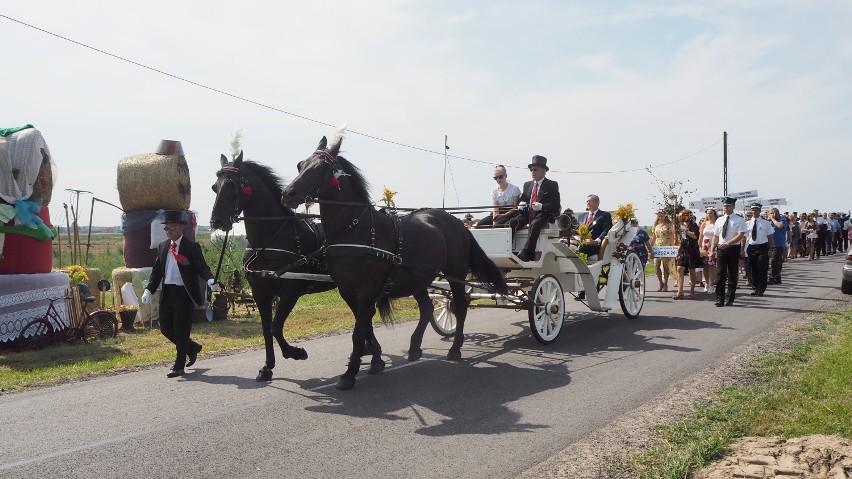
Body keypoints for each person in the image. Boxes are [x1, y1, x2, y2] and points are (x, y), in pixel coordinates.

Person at [141, 210, 220, 378]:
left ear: (181, 228)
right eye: (167, 229)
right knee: (165, 328)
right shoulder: (163, 246)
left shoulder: (191, 247)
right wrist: (149, 289)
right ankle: (191, 347)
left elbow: (201, 267)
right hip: (168, 291)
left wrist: (210, 280)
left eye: (172, 228)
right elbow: (156, 272)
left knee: (181, 329)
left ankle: (179, 366)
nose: (169, 232)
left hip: (184, 293)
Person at [510, 155, 561, 262]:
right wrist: (521, 204)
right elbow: (523, 199)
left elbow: (556, 206)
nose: (533, 172)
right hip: (528, 214)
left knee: (536, 223)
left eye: (536, 169)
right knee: (513, 222)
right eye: (531, 170)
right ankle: (509, 250)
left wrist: (542, 206)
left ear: (544, 171)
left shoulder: (552, 185)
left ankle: (528, 252)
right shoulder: (527, 185)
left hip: (543, 214)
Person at [710, 197, 747, 307]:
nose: (726, 207)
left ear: (733, 206)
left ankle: (730, 298)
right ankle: (719, 299)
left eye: (728, 205)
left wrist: (728, 243)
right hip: (721, 249)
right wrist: (712, 250)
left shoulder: (739, 220)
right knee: (720, 274)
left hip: (733, 248)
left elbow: (740, 235)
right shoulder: (719, 220)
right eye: (725, 206)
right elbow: (716, 237)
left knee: (732, 273)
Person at [574, 194, 612, 300]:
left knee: (581, 251)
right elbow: (576, 230)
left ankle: (584, 289)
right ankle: (581, 286)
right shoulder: (582, 216)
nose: (588, 203)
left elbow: (606, 230)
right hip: (582, 244)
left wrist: (597, 241)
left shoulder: (604, 215)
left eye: (590, 201)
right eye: (587, 201)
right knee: (572, 247)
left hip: (596, 246)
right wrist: (577, 238)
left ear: (597, 202)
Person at [474, 164, 521, 228]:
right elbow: (495, 209)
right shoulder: (494, 191)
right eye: (496, 178)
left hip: (510, 214)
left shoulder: (514, 189)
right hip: (498, 214)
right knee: (480, 225)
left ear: (505, 176)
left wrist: (503, 215)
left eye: (500, 177)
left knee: (498, 225)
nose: (498, 179)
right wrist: (494, 221)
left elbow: (515, 208)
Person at [744, 202, 774, 297]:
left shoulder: (766, 223)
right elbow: (744, 238)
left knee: (762, 268)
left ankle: (761, 289)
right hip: (751, 247)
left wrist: (770, 249)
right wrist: (742, 249)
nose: (754, 211)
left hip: (762, 247)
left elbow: (769, 237)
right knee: (752, 269)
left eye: (756, 210)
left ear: (759, 211)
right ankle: (755, 287)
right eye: (752, 210)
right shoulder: (747, 223)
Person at [673, 209, 702, 300]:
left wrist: (686, 230)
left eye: (683, 215)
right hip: (684, 249)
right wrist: (678, 250)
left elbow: (695, 236)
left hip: (692, 249)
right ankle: (680, 292)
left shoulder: (694, 225)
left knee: (691, 270)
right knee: (679, 269)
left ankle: (692, 291)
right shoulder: (681, 225)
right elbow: (682, 239)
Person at [650, 210, 676, 292]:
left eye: (661, 215)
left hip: (666, 246)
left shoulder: (669, 225)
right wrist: (650, 247)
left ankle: (665, 284)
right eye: (658, 215)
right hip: (657, 246)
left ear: (665, 215)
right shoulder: (656, 225)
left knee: (665, 266)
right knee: (656, 265)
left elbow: (672, 236)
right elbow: (654, 237)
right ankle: (660, 282)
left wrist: (671, 247)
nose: (660, 217)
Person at [699, 208, 718, 292]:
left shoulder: (717, 223)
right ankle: (706, 283)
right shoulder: (704, 224)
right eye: (707, 213)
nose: (709, 215)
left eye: (711, 213)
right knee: (705, 265)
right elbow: (700, 237)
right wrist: (699, 247)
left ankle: (712, 284)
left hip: (713, 245)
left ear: (714, 214)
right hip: (705, 246)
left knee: (712, 266)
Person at [767, 207, 788, 284]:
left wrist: (772, 219)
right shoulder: (768, 221)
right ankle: (777, 277)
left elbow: (780, 226)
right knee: (776, 262)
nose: (769, 215)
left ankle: (772, 277)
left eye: (771, 213)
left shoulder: (782, 219)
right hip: (770, 244)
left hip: (778, 244)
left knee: (774, 261)